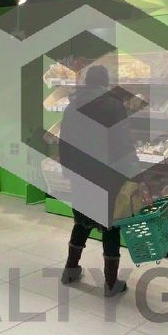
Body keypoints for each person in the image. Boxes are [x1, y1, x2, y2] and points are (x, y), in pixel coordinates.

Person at [57, 63, 141, 296]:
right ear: (105, 83)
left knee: (81, 221)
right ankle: (111, 283)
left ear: (87, 82)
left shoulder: (72, 106)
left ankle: (70, 270)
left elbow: (64, 142)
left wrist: (67, 171)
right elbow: (122, 143)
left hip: (80, 174)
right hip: (107, 175)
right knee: (110, 226)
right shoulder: (114, 106)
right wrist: (134, 171)